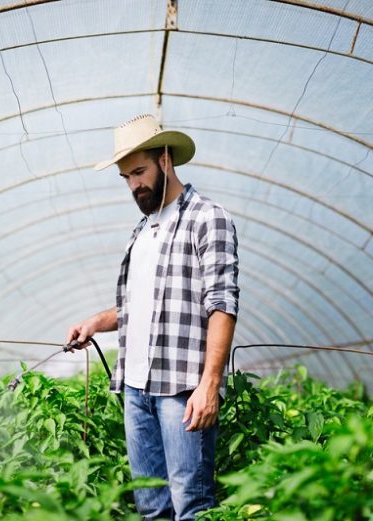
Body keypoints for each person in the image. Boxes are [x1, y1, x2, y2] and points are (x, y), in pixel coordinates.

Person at [66, 114, 239, 520]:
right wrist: (94, 323)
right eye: (126, 177)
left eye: (139, 172)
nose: (134, 185)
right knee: (150, 506)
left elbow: (222, 303)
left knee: (191, 505)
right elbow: (138, 307)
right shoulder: (142, 231)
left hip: (181, 391)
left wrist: (209, 385)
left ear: (165, 159)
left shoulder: (206, 219)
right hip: (135, 390)